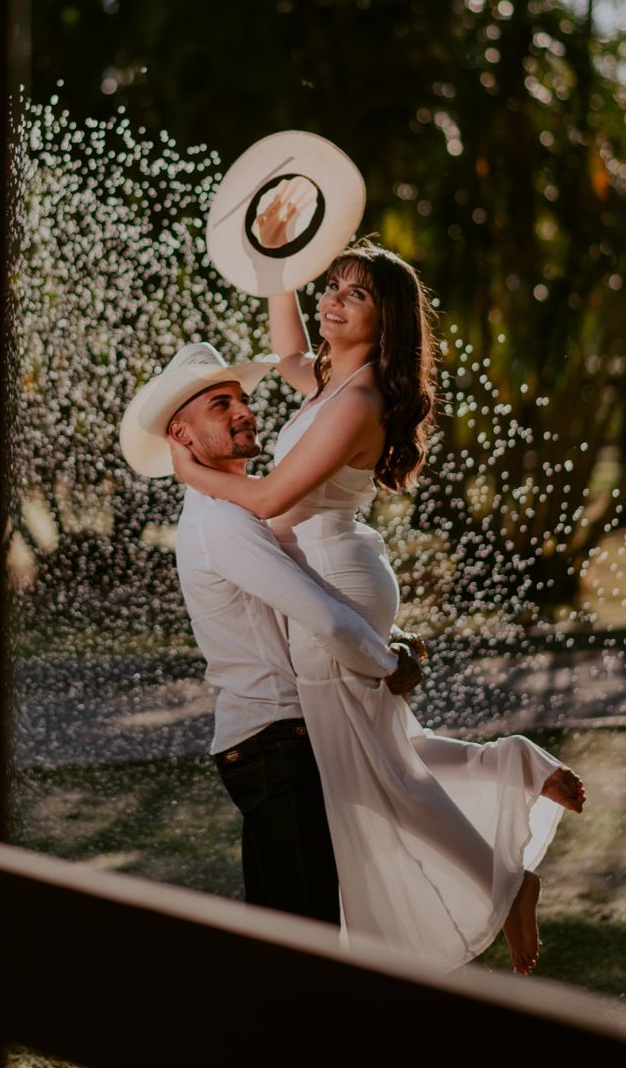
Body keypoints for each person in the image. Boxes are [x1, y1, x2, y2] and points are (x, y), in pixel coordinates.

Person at [167, 239, 586, 976]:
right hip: (337, 570)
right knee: (380, 749)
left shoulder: (356, 400)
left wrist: (192, 473)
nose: (330, 300)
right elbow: (289, 349)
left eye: (353, 294)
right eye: (330, 286)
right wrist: (274, 265)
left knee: (376, 769)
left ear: (384, 317)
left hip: (331, 579)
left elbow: (266, 498)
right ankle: (513, 772)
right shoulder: (332, 383)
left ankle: (508, 874)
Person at [119, 341, 424, 926]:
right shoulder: (220, 523)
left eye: (240, 398)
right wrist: (389, 666)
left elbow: (312, 596)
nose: (242, 411)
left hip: (276, 742)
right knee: (305, 937)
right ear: (181, 436)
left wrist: (389, 639)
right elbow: (327, 620)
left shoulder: (238, 512)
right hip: (276, 744)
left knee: (285, 932)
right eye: (218, 405)